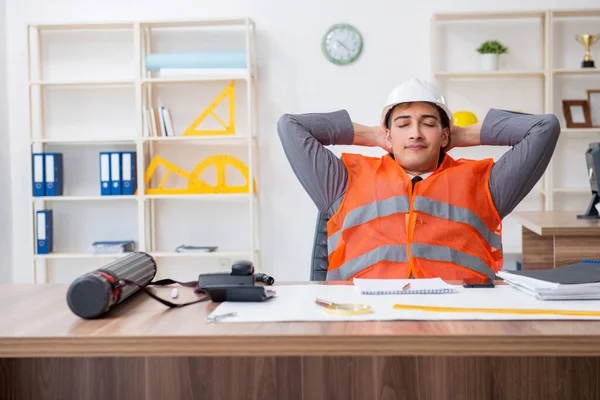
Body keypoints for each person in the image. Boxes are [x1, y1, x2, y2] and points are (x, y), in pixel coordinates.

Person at [277, 78, 560, 282]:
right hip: (363, 320)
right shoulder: (342, 180)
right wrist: (371, 135)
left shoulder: (487, 183)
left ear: (445, 134)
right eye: (402, 125)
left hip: (462, 323)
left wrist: (461, 135)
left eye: (428, 123)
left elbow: (544, 128)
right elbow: (291, 126)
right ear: (387, 135)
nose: (415, 133)